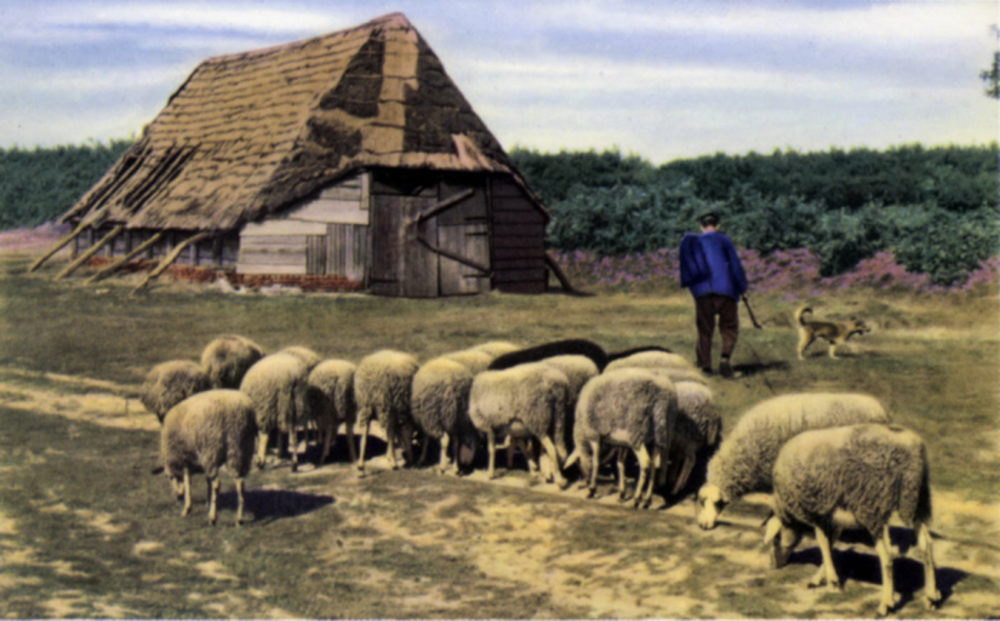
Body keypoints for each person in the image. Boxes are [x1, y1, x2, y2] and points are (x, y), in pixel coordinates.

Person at [678, 212, 748, 377]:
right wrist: (742, 288)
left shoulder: (695, 242)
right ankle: (725, 358)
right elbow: (735, 266)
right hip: (726, 290)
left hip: (702, 292)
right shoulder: (724, 240)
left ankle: (705, 367)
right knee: (729, 327)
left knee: (704, 329)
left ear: (701, 227)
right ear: (718, 226)